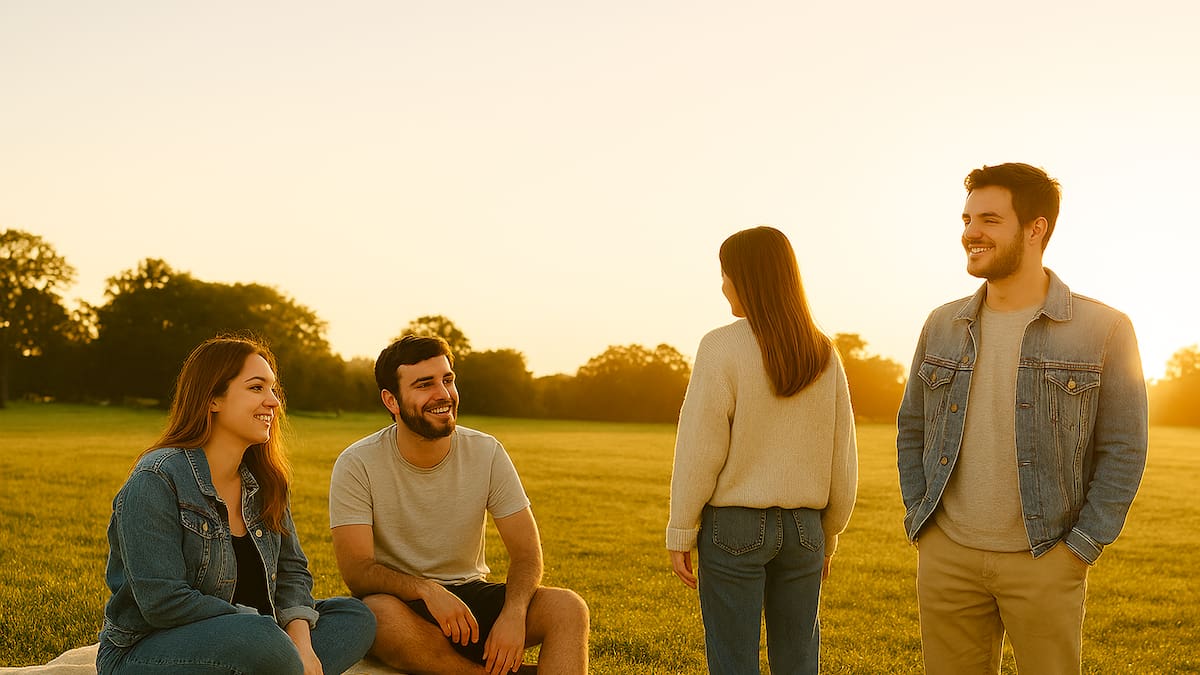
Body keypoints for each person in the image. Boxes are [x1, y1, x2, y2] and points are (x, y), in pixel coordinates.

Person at [896, 162, 1148, 674]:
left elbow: (1124, 447)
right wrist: (924, 523)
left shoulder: (1104, 329)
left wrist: (1080, 547)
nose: (971, 232)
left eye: (989, 219)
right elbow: (912, 427)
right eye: (967, 219)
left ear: (1036, 229)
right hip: (948, 556)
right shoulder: (942, 324)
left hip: (1046, 558)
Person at [97, 335, 376, 675]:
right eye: (257, 388)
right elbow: (162, 602)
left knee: (355, 616)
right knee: (262, 642)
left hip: (258, 639)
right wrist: (261, 628)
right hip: (150, 650)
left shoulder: (266, 482)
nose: (274, 402)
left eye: (273, 389)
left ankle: (284, 664)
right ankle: (277, 661)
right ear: (213, 398)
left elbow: (291, 574)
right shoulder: (157, 479)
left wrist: (301, 645)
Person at [329, 335, 590, 675]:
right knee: (376, 614)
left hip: (471, 601)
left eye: (447, 380)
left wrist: (513, 613)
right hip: (402, 605)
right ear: (391, 400)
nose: (443, 394)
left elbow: (527, 554)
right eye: (425, 384)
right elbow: (358, 571)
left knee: (568, 607)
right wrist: (426, 590)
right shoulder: (357, 463)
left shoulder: (486, 451)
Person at [666, 226, 859, 675]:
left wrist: (681, 530)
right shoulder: (824, 352)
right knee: (799, 663)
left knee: (733, 663)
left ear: (746, 277)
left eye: (725, 273)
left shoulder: (720, 346)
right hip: (806, 530)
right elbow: (843, 458)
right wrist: (828, 535)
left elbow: (700, 449)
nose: (722, 284)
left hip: (734, 526)